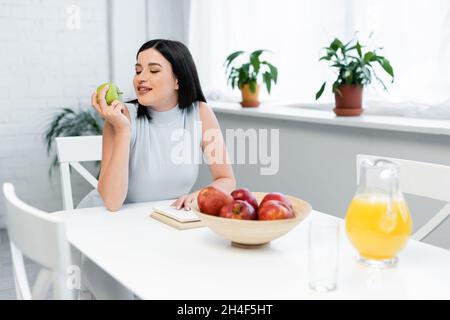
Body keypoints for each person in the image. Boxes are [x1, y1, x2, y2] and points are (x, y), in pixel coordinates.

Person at [76, 39, 236, 299]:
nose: (141, 77)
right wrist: (123, 129)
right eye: (138, 70)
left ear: (178, 80)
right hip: (109, 231)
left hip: (164, 230)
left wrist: (202, 194)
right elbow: (113, 202)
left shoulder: (200, 113)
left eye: (153, 70)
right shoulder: (121, 117)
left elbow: (226, 178)